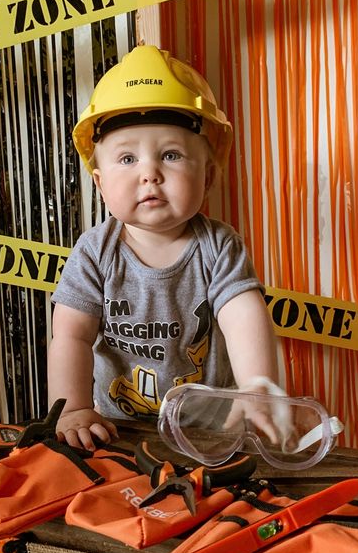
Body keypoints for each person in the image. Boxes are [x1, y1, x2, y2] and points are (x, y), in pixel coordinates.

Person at [48, 45, 279, 450]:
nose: (149, 173)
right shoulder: (94, 252)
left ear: (207, 177)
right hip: (118, 427)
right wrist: (72, 410)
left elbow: (243, 316)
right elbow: (71, 335)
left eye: (170, 155)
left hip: (210, 429)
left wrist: (255, 386)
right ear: (100, 185)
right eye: (127, 159)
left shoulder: (218, 246)